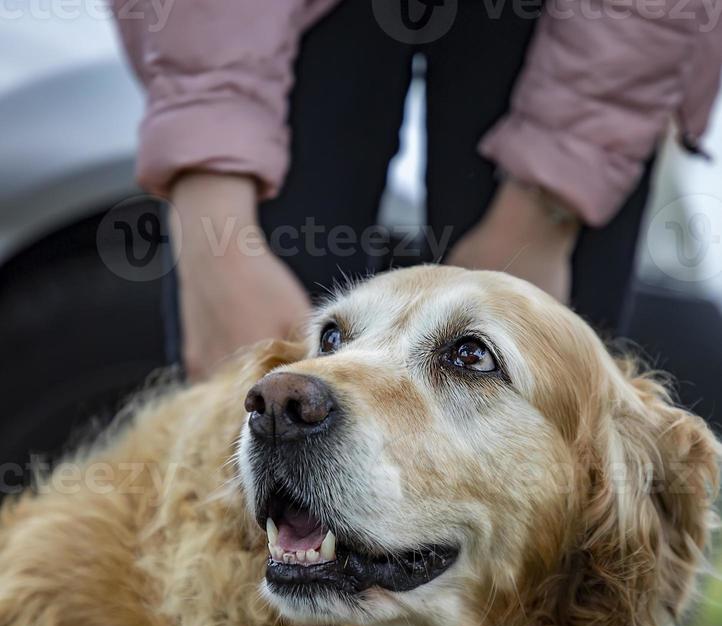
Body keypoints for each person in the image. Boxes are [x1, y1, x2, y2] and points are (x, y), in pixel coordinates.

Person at [112, 0, 722, 379]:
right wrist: (215, 223)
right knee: (240, 398)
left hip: (582, 31)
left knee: (542, 422)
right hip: (279, 23)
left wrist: (548, 204)